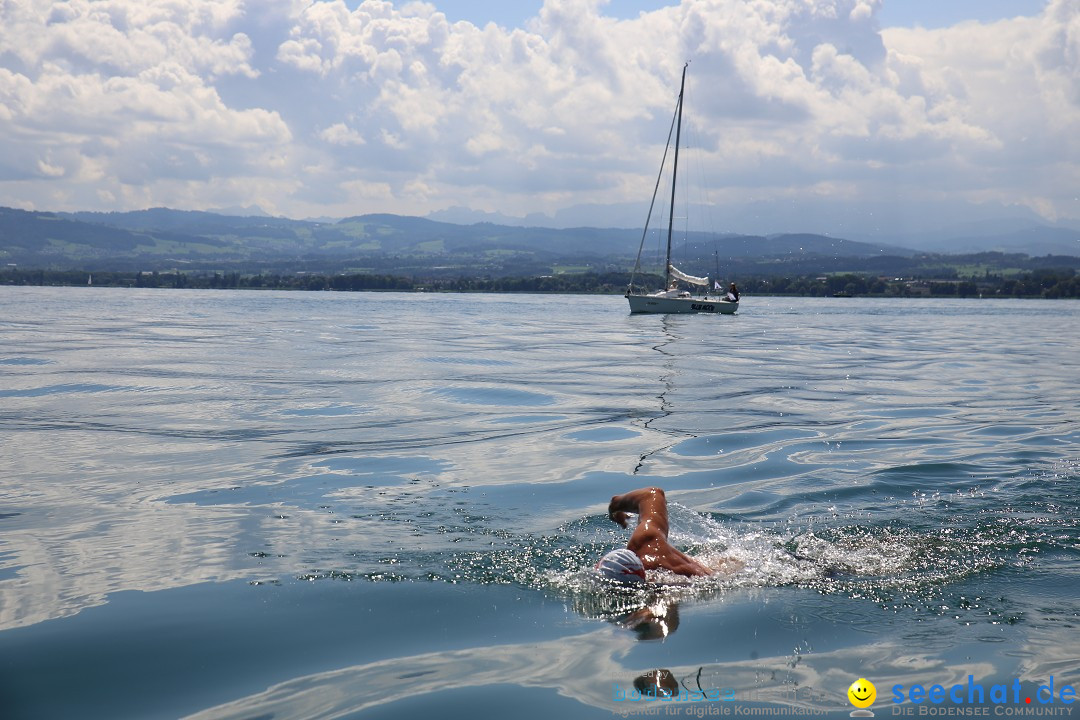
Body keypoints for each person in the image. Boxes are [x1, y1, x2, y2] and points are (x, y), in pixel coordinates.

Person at [595, 487, 713, 581]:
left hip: (713, 577)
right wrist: (615, 505)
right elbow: (652, 494)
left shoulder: (667, 585)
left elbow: (653, 494)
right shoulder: (645, 540)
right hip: (712, 563)